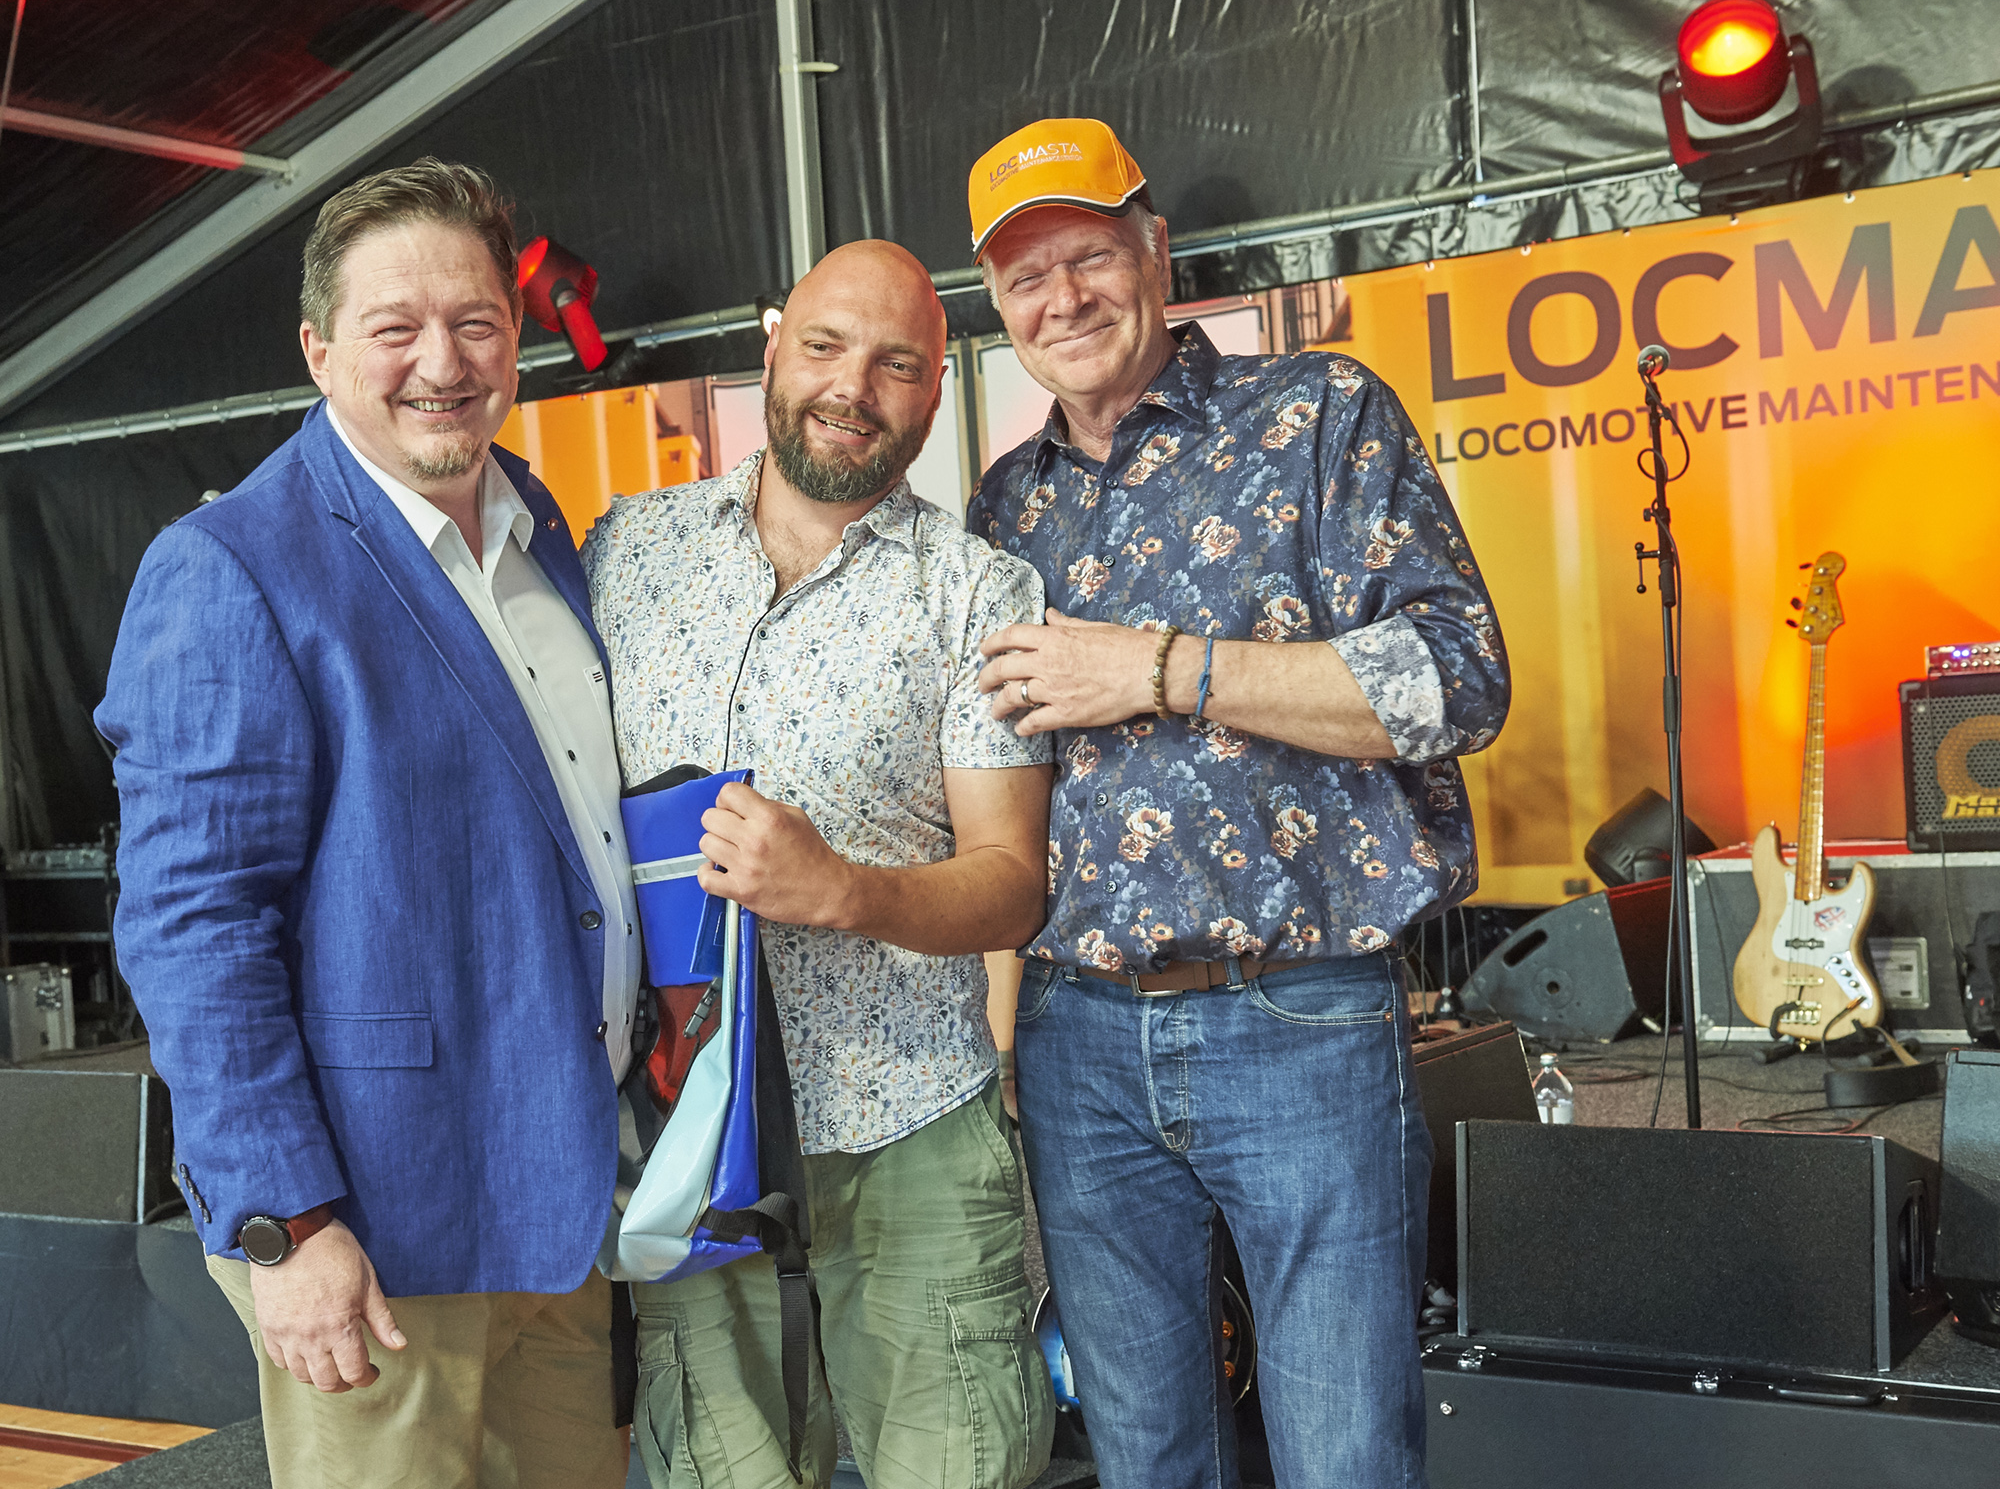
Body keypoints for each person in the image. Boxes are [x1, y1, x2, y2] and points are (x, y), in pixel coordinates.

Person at [963, 118, 1512, 1489]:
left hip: (1301, 1015)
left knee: (1343, 1455)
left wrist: (1152, 669)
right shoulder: (1000, 511)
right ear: (998, 311)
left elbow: (1459, 680)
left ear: (1157, 250)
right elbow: (992, 800)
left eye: (1088, 255)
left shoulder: (1318, 415)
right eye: (1028, 280)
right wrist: (1002, 1028)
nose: (1064, 299)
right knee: (1146, 1455)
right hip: (1076, 1039)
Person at [95, 159, 636, 1489]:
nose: (440, 362)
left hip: (558, 1194)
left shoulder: (540, 525)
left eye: (474, 322)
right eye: (395, 329)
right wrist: (285, 1225)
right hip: (375, 1227)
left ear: (515, 335)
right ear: (319, 351)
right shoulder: (234, 568)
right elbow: (192, 928)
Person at [583, 239, 1057, 1489]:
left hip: (906, 1123)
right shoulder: (627, 552)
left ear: (934, 389)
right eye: (827, 346)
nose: (855, 386)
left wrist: (844, 889)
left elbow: (1014, 878)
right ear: (771, 344)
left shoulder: (976, 590)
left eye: (898, 364)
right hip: (687, 1120)